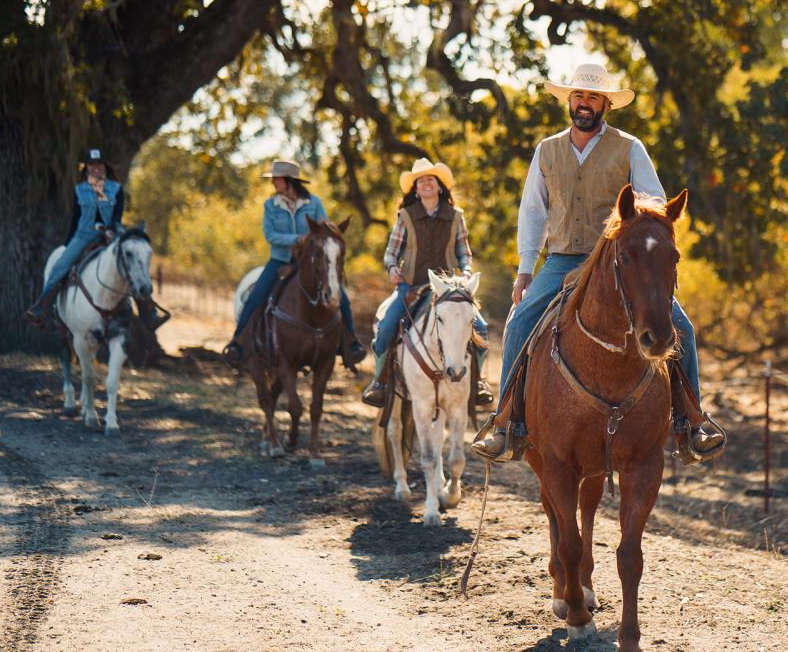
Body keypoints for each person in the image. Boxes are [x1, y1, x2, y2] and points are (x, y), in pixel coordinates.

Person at [471, 63, 726, 463]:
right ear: (569, 101)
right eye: (578, 96)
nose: (584, 104)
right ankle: (505, 422)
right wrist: (525, 269)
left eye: (592, 97)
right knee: (520, 321)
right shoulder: (547, 150)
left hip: (617, 260)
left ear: (606, 104)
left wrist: (647, 255)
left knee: (682, 328)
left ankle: (691, 421)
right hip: (560, 259)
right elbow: (533, 213)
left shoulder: (629, 147)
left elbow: (655, 205)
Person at [361, 158, 492, 408]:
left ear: (440, 186)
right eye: (421, 181)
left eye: (431, 179)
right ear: (416, 188)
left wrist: (465, 272)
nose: (426, 183)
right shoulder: (406, 216)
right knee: (387, 327)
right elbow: (392, 252)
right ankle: (380, 383)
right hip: (410, 286)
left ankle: (478, 383)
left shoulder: (456, 217)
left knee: (482, 328)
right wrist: (391, 268)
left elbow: (464, 252)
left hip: (448, 290)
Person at [222, 159, 365, 368]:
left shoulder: (314, 203)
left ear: (289, 181)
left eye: (277, 179)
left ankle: (350, 345)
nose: (273, 184)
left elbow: (325, 230)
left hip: (310, 262)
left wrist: (315, 241)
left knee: (341, 298)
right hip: (279, 260)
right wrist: (297, 240)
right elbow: (270, 235)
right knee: (256, 296)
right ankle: (238, 343)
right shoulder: (270, 206)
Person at [25, 149, 126, 326]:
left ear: (104, 166)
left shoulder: (116, 189)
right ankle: (42, 307)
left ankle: (146, 310)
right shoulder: (80, 190)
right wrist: (68, 244)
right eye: (92, 164)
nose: (96, 168)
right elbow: (75, 217)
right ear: (86, 167)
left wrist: (112, 230)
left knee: (130, 261)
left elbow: (117, 216)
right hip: (84, 235)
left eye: (99, 164)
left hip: (109, 235)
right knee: (60, 266)